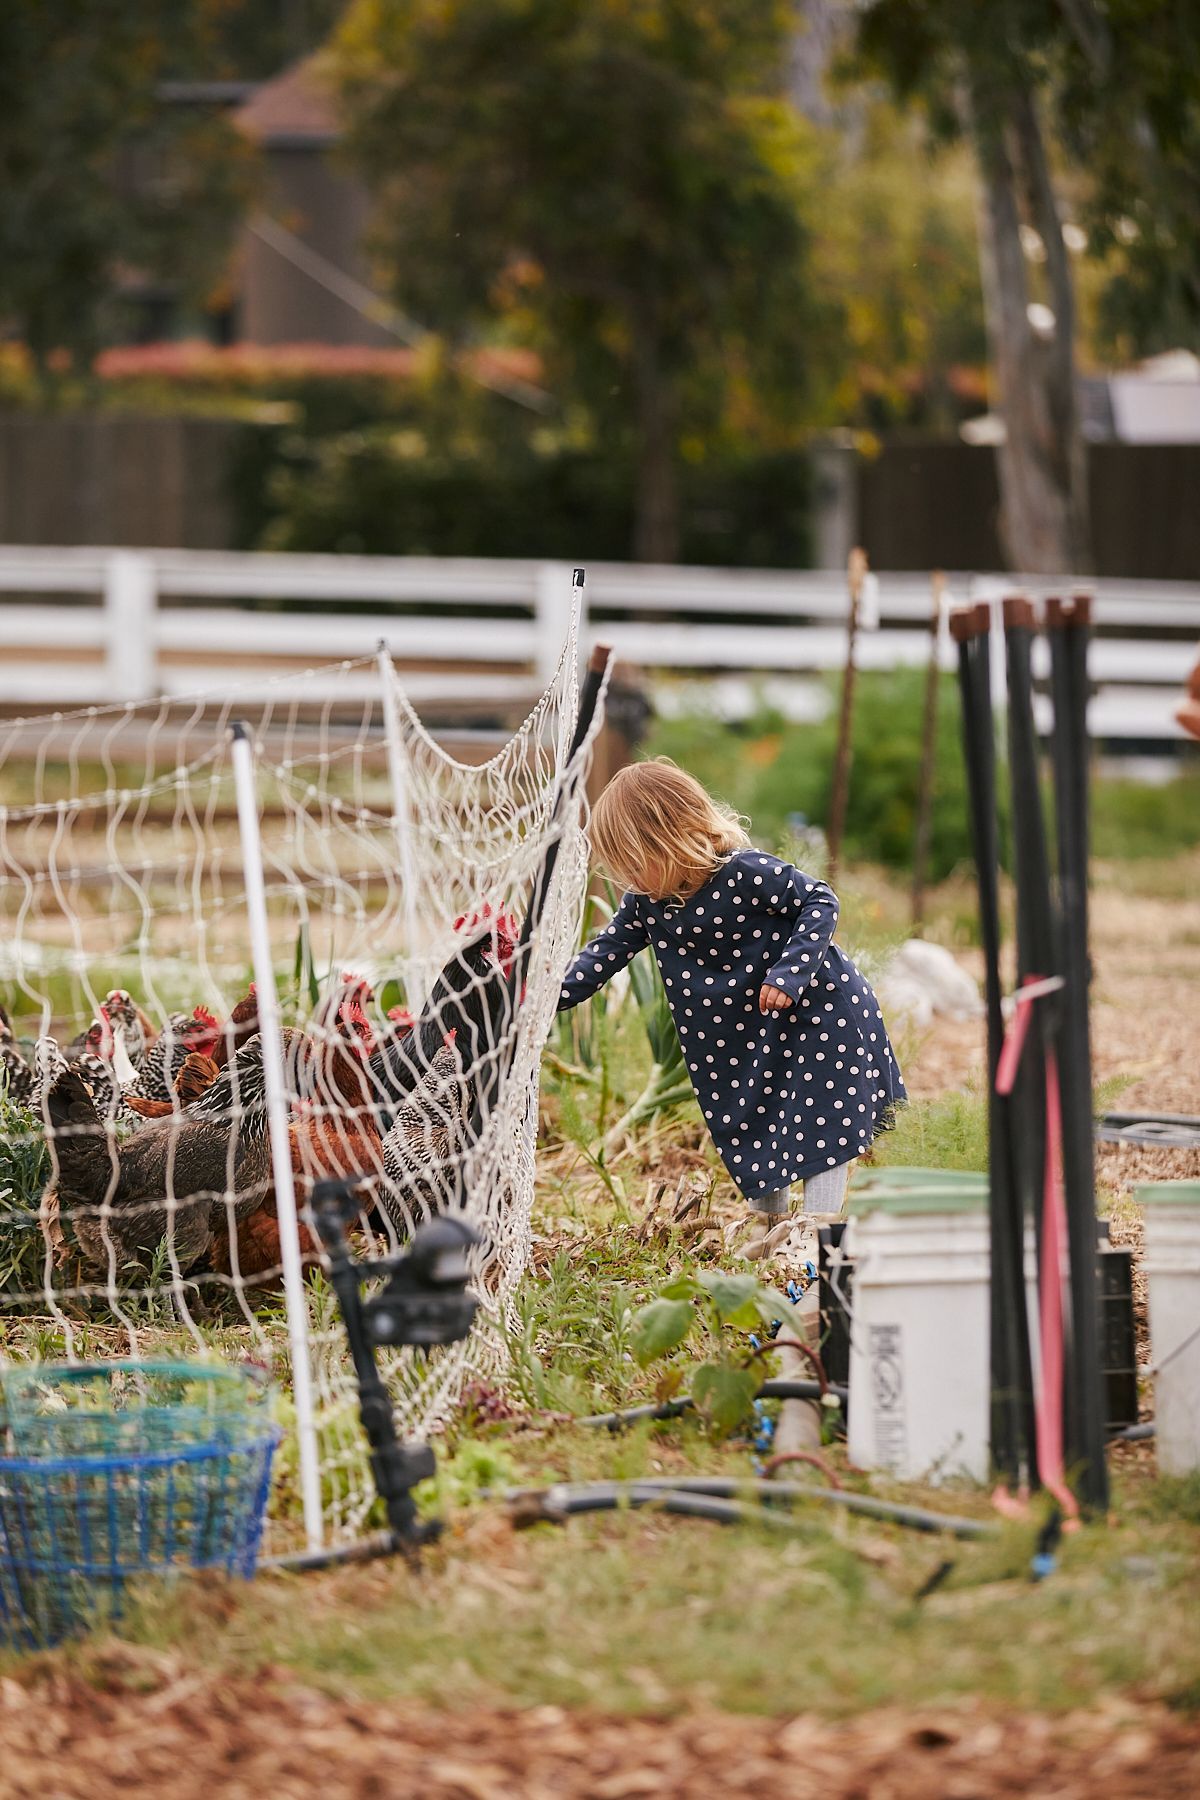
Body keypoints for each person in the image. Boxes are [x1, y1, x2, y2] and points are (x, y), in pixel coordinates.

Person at [557, 760, 905, 1237]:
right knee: (754, 1118)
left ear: (674, 836)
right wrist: (537, 1002)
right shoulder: (646, 903)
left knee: (823, 1117)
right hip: (746, 1034)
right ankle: (769, 1224)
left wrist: (789, 974)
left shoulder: (743, 873)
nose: (629, 879)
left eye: (636, 863)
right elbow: (602, 955)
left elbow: (819, 900)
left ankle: (814, 1229)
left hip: (817, 1007)